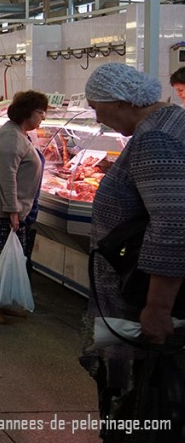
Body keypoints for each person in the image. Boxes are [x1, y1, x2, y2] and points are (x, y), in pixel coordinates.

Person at [80, 64, 185, 429]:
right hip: (139, 287)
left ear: (121, 102)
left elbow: (172, 222)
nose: (97, 117)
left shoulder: (156, 137)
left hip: (138, 297)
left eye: (97, 107)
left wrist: (158, 306)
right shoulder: (172, 122)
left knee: (140, 398)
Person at [0, 90, 48, 324]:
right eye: (40, 112)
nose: (43, 117)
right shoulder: (11, 137)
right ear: (28, 112)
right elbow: (7, 176)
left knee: (12, 254)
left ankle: (2, 300)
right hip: (5, 209)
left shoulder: (18, 133)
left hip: (13, 207)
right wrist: (13, 210)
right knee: (4, 253)